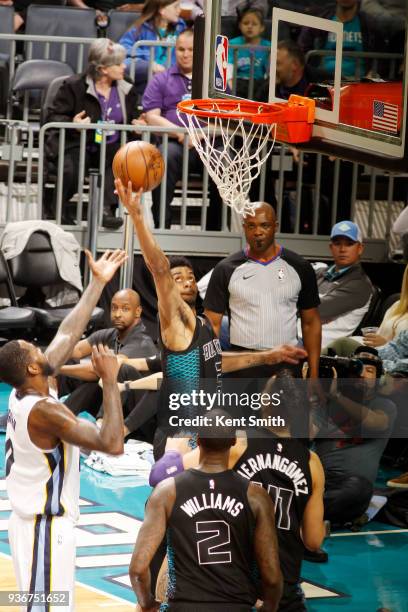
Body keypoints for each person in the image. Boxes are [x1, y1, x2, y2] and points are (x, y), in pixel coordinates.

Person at [115, 180, 308, 456]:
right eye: (177, 278)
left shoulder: (204, 322)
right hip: (180, 437)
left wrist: (268, 356)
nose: (186, 281)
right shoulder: (176, 321)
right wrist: (137, 216)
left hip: (205, 433)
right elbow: (158, 268)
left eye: (190, 277)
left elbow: (217, 363)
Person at [0, 249, 127, 609]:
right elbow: (112, 443)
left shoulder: (29, 390)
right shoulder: (44, 412)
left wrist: (97, 283)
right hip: (44, 529)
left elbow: (68, 333)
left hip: (34, 526)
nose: (40, 348)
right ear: (32, 370)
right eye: (33, 349)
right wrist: (110, 381)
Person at [129, 409, 283, 611]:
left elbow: (138, 570)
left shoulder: (167, 492)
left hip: (184, 606)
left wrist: (147, 603)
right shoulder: (256, 496)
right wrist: (269, 608)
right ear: (234, 442)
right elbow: (272, 576)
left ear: (198, 440)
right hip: (236, 606)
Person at [203, 201, 321, 379]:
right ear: (244, 228)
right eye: (251, 226)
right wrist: (209, 374)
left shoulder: (300, 267)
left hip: (288, 364)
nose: (258, 232)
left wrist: (314, 374)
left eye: (264, 225)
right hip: (242, 364)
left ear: (275, 227)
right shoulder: (225, 269)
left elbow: (310, 323)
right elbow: (212, 325)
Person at [44, 39, 140, 228]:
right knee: (71, 166)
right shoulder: (74, 85)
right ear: (103, 69)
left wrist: (138, 124)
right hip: (79, 142)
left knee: (117, 159)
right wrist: (74, 123)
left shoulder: (126, 86)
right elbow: (53, 117)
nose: (124, 66)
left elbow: (132, 118)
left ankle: (106, 210)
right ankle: (59, 208)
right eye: (119, 63)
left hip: (112, 143)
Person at [142, 29, 224, 230]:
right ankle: (162, 225)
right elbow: (152, 117)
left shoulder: (214, 83)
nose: (185, 54)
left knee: (224, 158)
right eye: (180, 49)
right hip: (174, 144)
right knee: (164, 156)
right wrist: (182, 133)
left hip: (209, 144)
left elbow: (226, 120)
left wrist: (200, 134)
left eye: (190, 49)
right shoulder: (161, 79)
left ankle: (215, 229)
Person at [313, 348, 396, 526]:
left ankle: (302, 514)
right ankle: (313, 517)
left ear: (378, 378)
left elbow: (375, 422)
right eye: (358, 369)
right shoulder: (326, 403)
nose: (363, 375)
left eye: (370, 371)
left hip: (350, 485)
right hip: (317, 479)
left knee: (358, 490)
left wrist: (338, 396)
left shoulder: (384, 405)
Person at [58, 289, 157, 435]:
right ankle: (59, 413)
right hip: (116, 400)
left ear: (137, 312)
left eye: (125, 309)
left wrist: (57, 368)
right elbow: (76, 350)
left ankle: (99, 427)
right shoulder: (110, 334)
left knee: (118, 370)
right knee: (68, 358)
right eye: (114, 308)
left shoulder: (141, 342)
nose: (117, 314)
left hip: (139, 416)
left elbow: (105, 370)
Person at [310, 221, 374, 348]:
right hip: (297, 337)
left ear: (360, 248)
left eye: (349, 244)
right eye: (337, 243)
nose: (342, 249)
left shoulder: (360, 284)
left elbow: (316, 310)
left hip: (321, 347)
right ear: (330, 247)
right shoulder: (320, 272)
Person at [298, 0, 381, 80]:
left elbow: (381, 58)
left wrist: (373, 73)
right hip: (323, 82)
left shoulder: (370, 24)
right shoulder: (320, 20)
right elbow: (302, 49)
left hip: (359, 84)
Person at [119, 0, 186, 93]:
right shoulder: (141, 28)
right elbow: (123, 48)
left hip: (173, 80)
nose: (179, 10)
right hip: (147, 79)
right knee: (125, 65)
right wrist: (151, 64)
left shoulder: (181, 28)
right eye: (176, 7)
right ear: (162, 10)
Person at [227, 7, 271, 101]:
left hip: (258, 84)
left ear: (262, 27)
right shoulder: (232, 44)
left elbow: (269, 72)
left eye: (254, 24)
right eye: (246, 23)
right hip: (237, 83)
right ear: (240, 25)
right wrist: (230, 88)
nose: (250, 26)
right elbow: (228, 67)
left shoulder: (268, 46)